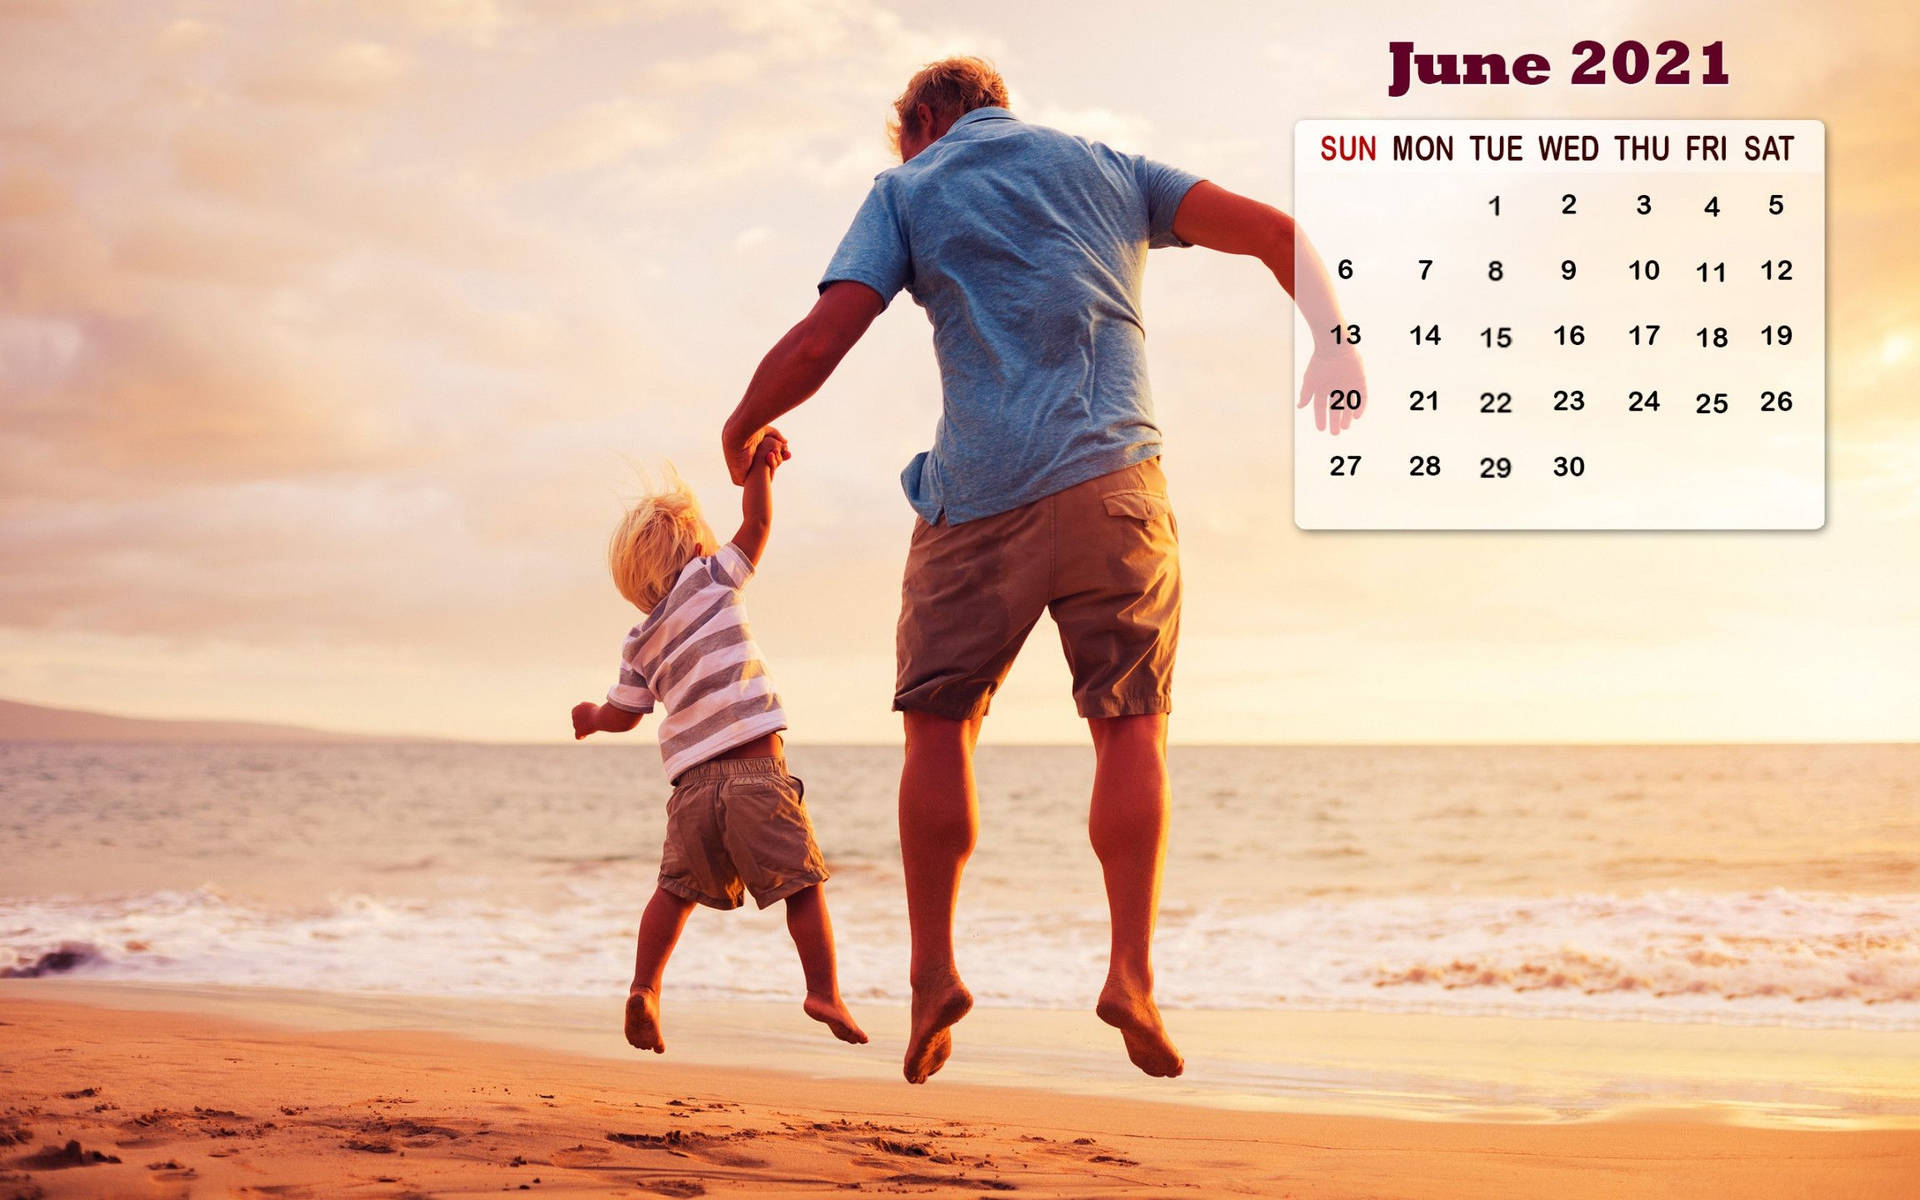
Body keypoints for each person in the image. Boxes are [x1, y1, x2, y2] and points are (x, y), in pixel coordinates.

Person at [717, 57, 1363, 1084]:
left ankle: (934, 976)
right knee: (1130, 725)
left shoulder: (908, 189)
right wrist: (1335, 344)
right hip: (1116, 484)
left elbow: (825, 334)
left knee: (941, 726)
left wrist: (745, 420)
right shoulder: (1114, 170)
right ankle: (1131, 977)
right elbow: (1280, 235)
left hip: (979, 496)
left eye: (908, 138)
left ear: (925, 119)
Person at [571, 434, 867, 1055]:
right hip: (758, 775)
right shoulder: (710, 579)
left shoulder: (638, 642)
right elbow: (756, 524)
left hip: (691, 793)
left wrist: (592, 718)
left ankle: (645, 987)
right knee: (801, 885)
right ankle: (823, 991)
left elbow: (624, 716)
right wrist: (761, 467)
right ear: (695, 546)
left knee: (674, 893)